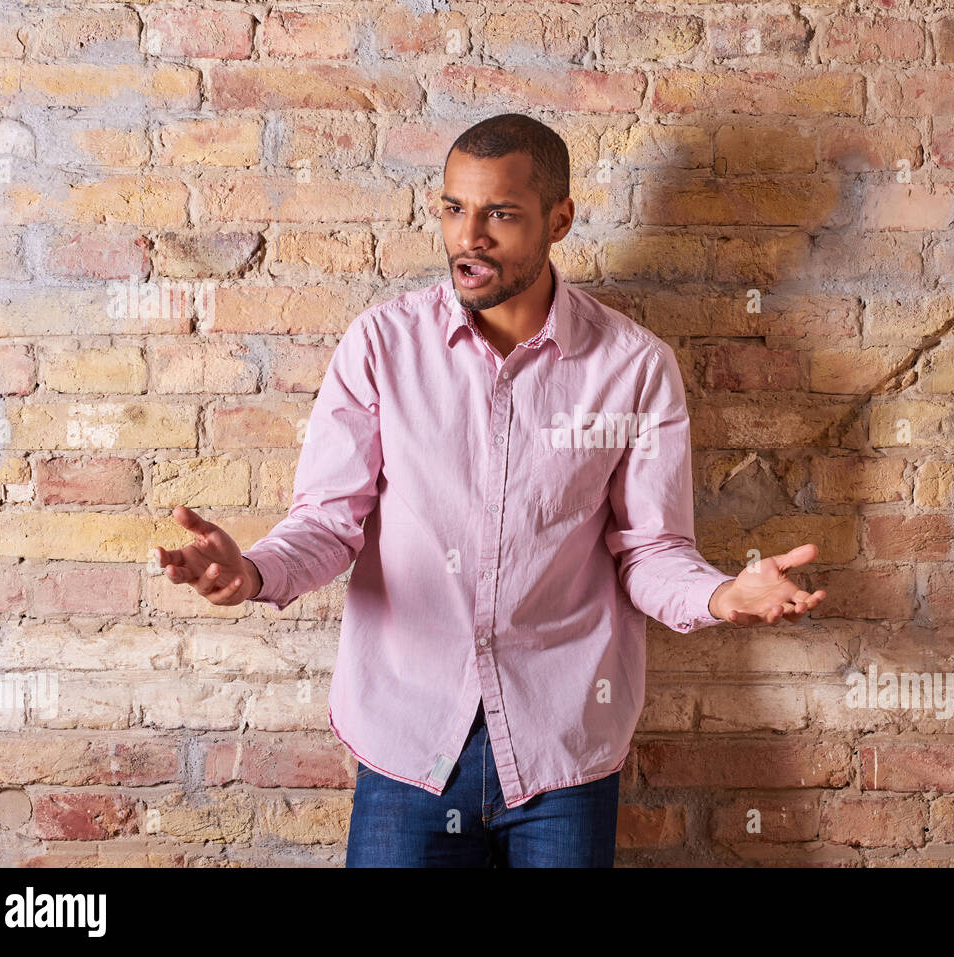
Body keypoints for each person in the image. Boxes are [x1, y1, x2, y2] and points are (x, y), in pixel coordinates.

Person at [156, 112, 826, 867]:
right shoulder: (382, 345)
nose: (466, 236)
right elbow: (328, 522)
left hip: (560, 749)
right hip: (410, 744)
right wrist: (250, 571)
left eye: (499, 214)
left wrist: (719, 595)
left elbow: (649, 550)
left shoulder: (634, 368)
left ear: (559, 219)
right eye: (453, 208)